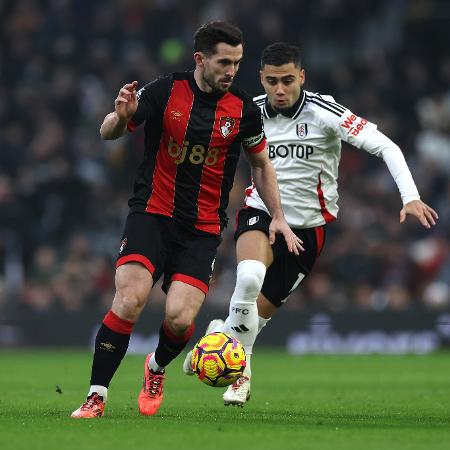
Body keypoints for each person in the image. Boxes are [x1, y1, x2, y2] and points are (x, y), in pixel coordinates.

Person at [183, 42, 439, 406]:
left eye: (288, 80)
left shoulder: (325, 112)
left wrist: (409, 196)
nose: (280, 89)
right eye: (272, 81)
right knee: (250, 276)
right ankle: (241, 376)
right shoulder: (247, 112)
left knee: (255, 318)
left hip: (307, 231)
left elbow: (386, 146)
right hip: (262, 212)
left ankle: (219, 336)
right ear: (261, 79)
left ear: (302, 76)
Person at [71, 25, 302, 419]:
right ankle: (96, 395)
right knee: (129, 300)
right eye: (224, 62)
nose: (232, 70)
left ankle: (156, 368)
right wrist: (119, 116)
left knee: (179, 320)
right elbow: (109, 132)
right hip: (152, 214)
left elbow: (262, 165)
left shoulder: (245, 110)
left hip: (202, 229)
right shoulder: (165, 91)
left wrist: (278, 216)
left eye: (238, 62)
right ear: (200, 59)